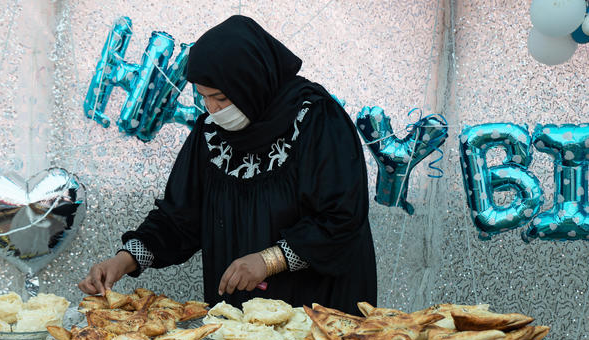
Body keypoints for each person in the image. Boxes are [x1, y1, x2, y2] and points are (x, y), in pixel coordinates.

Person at [78, 15, 377, 315]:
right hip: (242, 320)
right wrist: (123, 260)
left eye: (220, 97)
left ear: (250, 83)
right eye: (204, 97)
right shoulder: (211, 135)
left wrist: (269, 260)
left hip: (319, 311)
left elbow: (341, 219)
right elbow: (177, 220)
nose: (213, 109)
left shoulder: (317, 120)